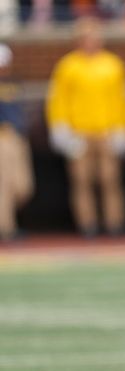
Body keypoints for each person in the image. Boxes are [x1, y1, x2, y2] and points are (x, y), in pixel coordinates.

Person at [46, 16, 125, 238]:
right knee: (81, 182)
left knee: (110, 180)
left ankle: (115, 224)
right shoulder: (68, 66)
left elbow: (120, 99)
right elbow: (58, 100)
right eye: (85, 38)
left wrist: (124, 128)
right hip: (79, 132)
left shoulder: (113, 64)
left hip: (107, 131)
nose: (90, 42)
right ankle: (88, 225)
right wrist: (61, 130)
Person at [0, 43, 34, 243]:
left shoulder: (14, 82)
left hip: (18, 137)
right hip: (3, 137)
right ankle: (7, 229)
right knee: (4, 186)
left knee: (23, 188)